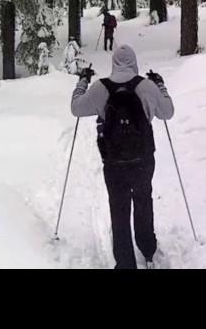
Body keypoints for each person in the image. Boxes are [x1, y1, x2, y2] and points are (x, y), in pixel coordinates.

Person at [70, 44, 174, 269]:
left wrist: (82, 81)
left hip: (114, 162)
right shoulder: (146, 86)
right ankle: (147, 246)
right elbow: (168, 112)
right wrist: (160, 85)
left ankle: (125, 262)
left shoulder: (101, 88)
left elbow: (76, 108)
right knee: (143, 200)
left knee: (119, 208)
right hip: (144, 159)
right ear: (134, 62)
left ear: (114, 63)